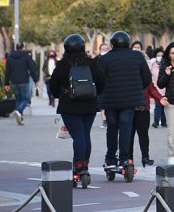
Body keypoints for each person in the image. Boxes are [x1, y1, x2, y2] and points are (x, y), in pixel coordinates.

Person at [49, 34, 105, 186]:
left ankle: (79, 167)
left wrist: (58, 94)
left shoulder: (62, 65)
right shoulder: (91, 63)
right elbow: (101, 82)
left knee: (78, 135)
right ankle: (84, 165)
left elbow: (53, 86)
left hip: (70, 106)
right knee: (85, 134)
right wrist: (95, 94)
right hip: (89, 105)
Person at [98, 31, 152, 172]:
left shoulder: (105, 59)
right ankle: (124, 158)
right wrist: (136, 88)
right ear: (128, 42)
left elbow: (99, 80)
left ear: (112, 43)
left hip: (110, 99)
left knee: (112, 128)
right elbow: (147, 77)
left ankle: (110, 158)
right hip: (130, 100)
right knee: (126, 129)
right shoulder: (137, 56)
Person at [129, 43, 162, 168]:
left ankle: (145, 157)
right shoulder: (128, 76)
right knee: (129, 135)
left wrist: (160, 98)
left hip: (143, 108)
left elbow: (151, 89)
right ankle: (129, 158)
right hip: (129, 109)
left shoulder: (145, 76)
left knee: (143, 134)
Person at [5, 42, 39, 126]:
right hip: (24, 80)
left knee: (18, 99)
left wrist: (6, 83)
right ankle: (19, 111)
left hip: (14, 81)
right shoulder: (26, 56)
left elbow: (7, 71)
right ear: (23, 47)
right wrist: (35, 80)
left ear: (16, 47)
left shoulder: (10, 57)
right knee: (26, 99)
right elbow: (32, 69)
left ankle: (20, 118)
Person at [94, 41, 111, 129]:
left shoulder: (112, 58)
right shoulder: (96, 60)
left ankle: (110, 119)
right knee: (102, 103)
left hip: (111, 84)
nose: (105, 51)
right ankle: (104, 120)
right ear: (100, 50)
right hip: (101, 84)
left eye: (106, 49)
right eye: (103, 49)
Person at [150, 47, 167, 128]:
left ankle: (164, 122)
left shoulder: (166, 65)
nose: (160, 57)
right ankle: (156, 122)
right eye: (158, 55)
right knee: (158, 106)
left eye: (161, 55)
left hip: (165, 88)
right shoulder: (152, 65)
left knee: (164, 106)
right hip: (156, 89)